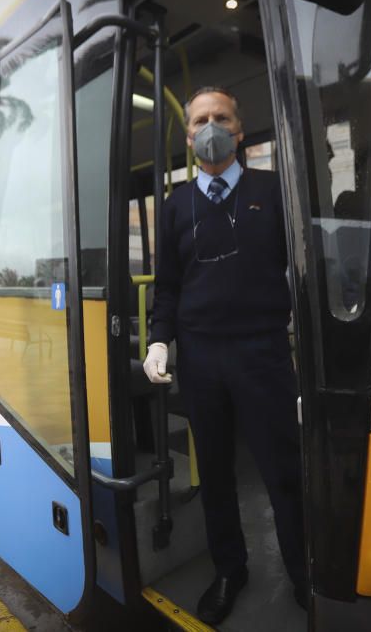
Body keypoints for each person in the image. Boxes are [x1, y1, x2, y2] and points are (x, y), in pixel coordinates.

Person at [143, 86, 307, 624]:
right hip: (202, 361)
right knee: (215, 475)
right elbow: (166, 287)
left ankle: (303, 574)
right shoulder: (174, 207)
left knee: (283, 472)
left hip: (263, 353)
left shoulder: (275, 190)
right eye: (200, 120)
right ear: (189, 136)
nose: (210, 127)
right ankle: (230, 570)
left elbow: (304, 270)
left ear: (239, 130)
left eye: (221, 117)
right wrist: (159, 340)